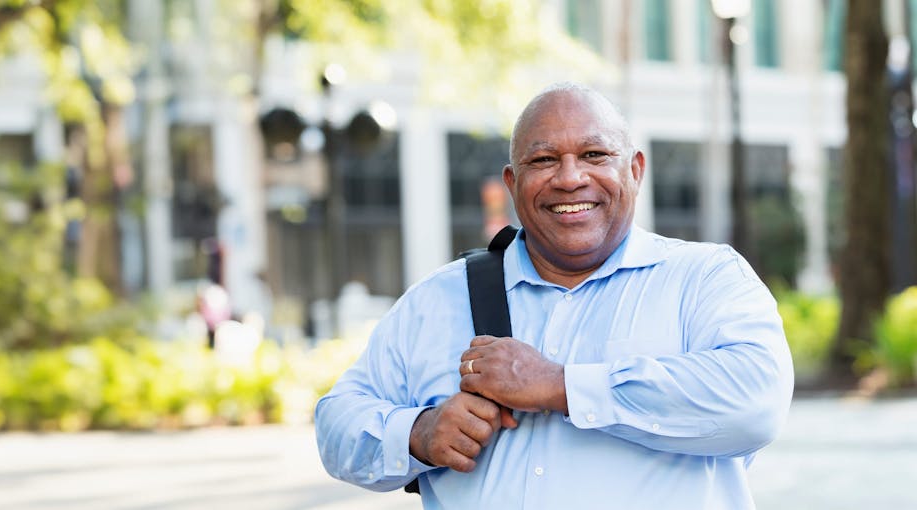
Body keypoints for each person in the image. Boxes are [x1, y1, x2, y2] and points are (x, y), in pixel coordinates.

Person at [314, 83, 793, 509]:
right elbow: (337, 423)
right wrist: (417, 433)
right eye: (543, 160)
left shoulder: (704, 278)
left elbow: (755, 400)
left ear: (636, 170)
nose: (569, 178)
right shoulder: (439, 298)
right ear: (512, 183)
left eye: (594, 155)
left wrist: (561, 385)